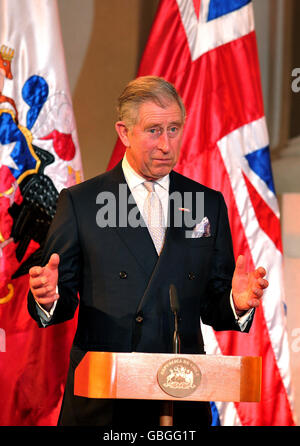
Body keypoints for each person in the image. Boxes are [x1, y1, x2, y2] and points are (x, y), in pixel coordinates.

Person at [28, 76, 268, 426]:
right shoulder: (82, 203)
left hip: (181, 398)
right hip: (105, 403)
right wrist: (48, 297)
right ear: (124, 133)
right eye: (154, 130)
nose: (166, 144)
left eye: (174, 129)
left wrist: (236, 302)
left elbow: (214, 304)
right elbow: (61, 302)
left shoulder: (206, 204)